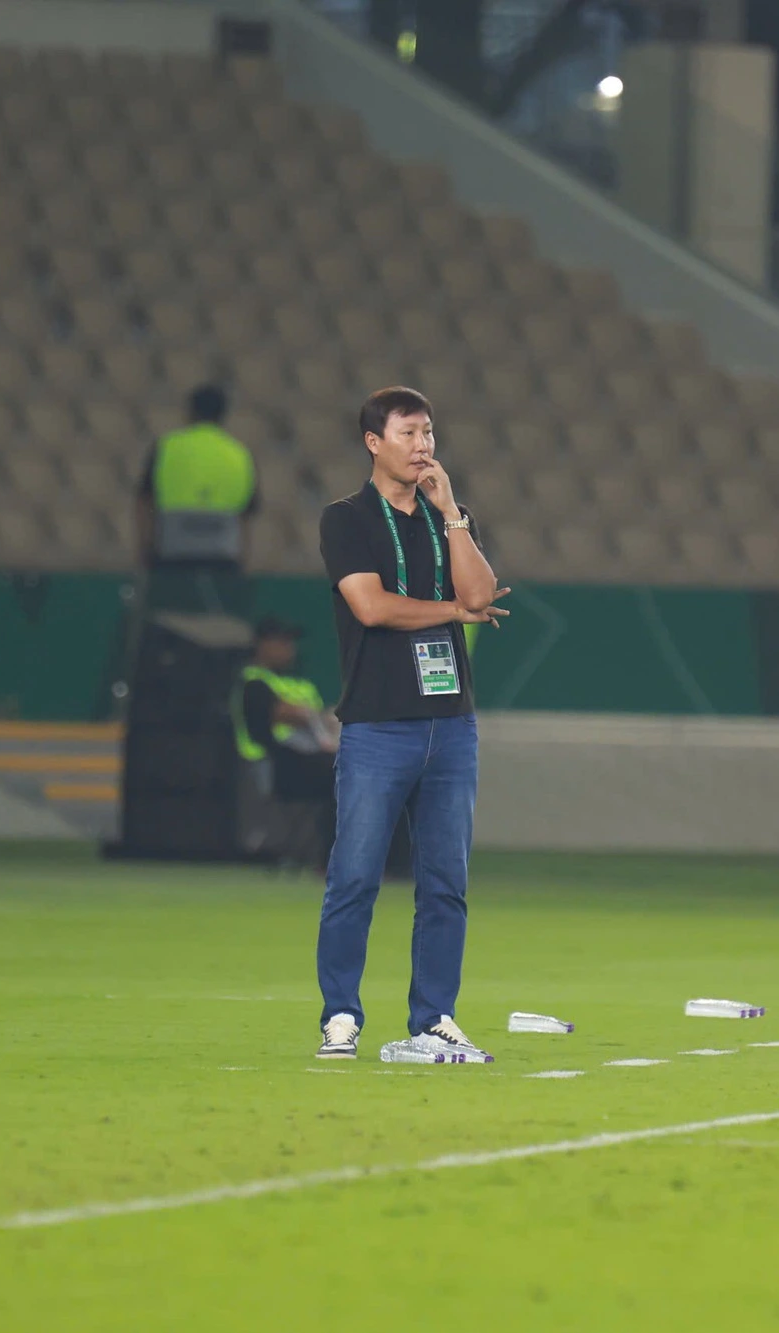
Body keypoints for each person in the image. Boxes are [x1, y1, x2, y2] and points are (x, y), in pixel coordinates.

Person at [312, 386, 509, 1063]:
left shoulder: (448, 517)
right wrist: (453, 612)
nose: (423, 446)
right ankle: (341, 1015)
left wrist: (452, 514)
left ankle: (434, 1018)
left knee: (446, 884)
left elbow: (481, 593)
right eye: (409, 433)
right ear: (374, 442)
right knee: (355, 877)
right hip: (379, 725)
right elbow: (371, 607)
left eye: (429, 433)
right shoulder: (346, 519)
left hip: (451, 726)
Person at [232, 615, 339, 868]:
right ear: (262, 644)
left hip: (310, 757)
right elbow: (284, 715)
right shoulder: (253, 679)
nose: (289, 649)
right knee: (339, 774)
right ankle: (328, 860)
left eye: (290, 643)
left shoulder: (301, 683)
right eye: (281, 642)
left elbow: (325, 721)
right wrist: (314, 716)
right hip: (271, 764)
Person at [133, 384, 258, 572]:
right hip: (222, 559)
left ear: (190, 412)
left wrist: (144, 550)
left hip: (172, 556)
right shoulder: (240, 454)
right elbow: (245, 518)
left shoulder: (167, 447)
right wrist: (242, 565)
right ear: (222, 415)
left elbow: (144, 502)